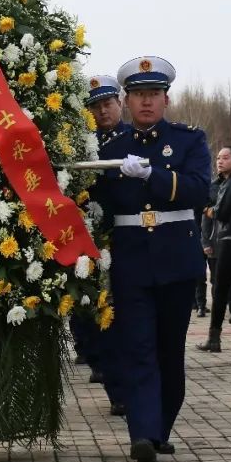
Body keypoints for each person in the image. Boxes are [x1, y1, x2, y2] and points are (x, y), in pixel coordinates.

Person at [92, 56, 210, 462]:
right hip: (131, 261)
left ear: (166, 99)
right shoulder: (110, 147)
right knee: (137, 348)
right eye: (139, 95)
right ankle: (142, 433)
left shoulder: (189, 140)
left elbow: (199, 191)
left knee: (167, 351)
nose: (146, 103)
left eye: (153, 95)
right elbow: (97, 202)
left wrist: (152, 176)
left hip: (176, 257)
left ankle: (159, 429)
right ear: (126, 100)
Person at [83, 75, 127, 412]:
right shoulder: (84, 145)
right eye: (95, 106)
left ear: (120, 103)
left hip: (130, 238)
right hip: (97, 242)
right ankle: (116, 388)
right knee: (103, 315)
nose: (102, 110)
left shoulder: (134, 140)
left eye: (107, 103)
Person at [196, 146, 231, 352]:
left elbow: (222, 212)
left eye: (226, 158)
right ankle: (214, 337)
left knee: (222, 289)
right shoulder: (225, 182)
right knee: (225, 288)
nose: (220, 161)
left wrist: (209, 210)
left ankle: (214, 338)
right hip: (230, 239)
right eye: (218, 158)